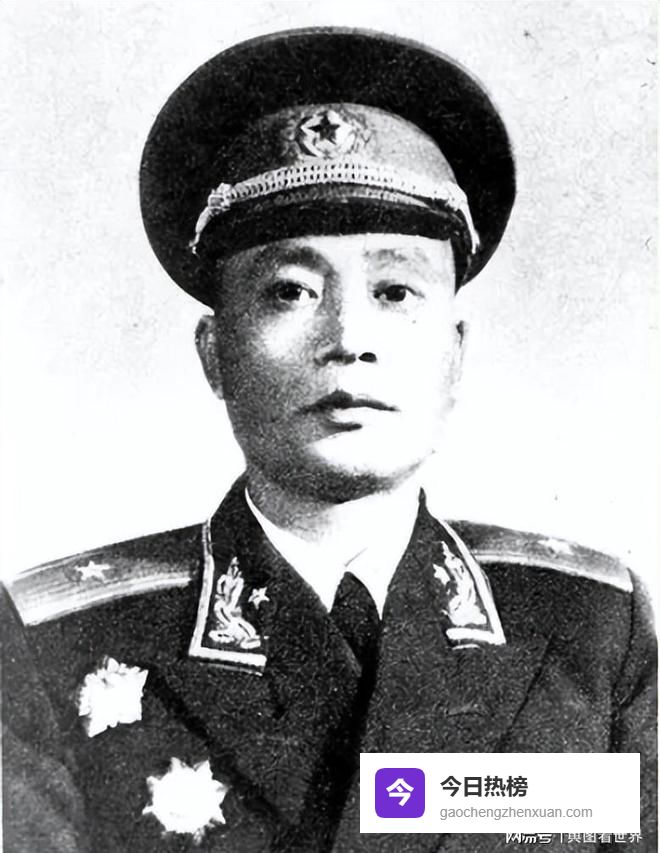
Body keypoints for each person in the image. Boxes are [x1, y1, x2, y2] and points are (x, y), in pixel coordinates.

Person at [1, 27, 656, 853]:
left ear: (455, 355)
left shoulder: (586, 628)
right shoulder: (55, 643)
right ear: (215, 354)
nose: (349, 339)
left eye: (395, 291)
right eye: (290, 291)